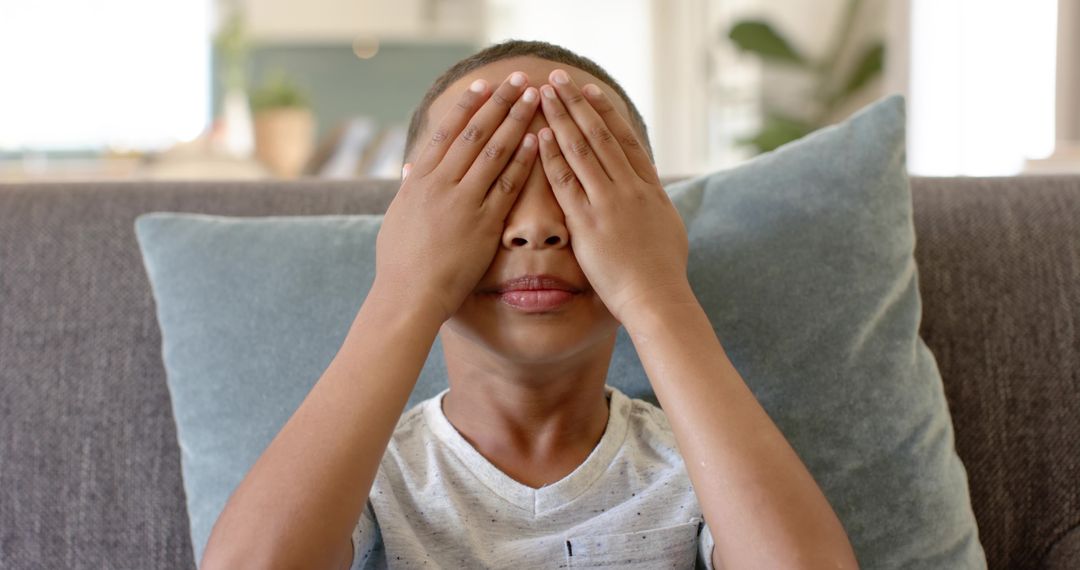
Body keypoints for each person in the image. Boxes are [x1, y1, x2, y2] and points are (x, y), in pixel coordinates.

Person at [200, 40, 858, 569]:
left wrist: (657, 292)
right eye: (488, 184)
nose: (536, 226)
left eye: (579, 182)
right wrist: (405, 288)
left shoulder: (703, 465)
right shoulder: (367, 472)